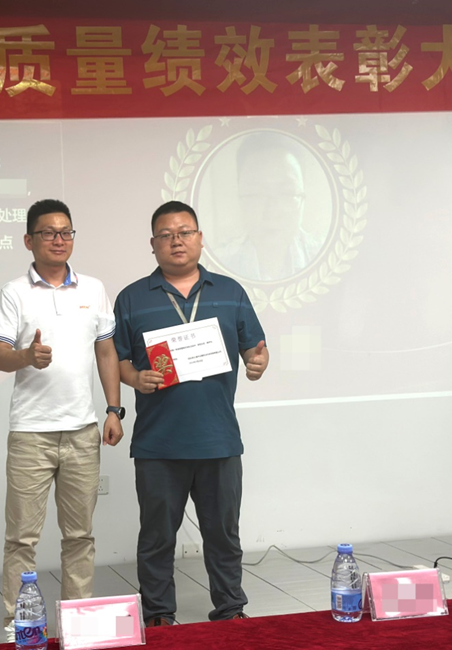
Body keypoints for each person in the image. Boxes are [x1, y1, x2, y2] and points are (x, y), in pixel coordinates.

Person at [113, 200, 269, 625]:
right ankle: (159, 616)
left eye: (184, 233)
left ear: (200, 238)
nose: (176, 241)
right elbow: (117, 359)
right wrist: (134, 377)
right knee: (157, 538)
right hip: (158, 443)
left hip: (218, 439)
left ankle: (231, 610)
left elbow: (255, 350)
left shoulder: (231, 292)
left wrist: (258, 363)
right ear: (152, 244)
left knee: (223, 535)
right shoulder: (131, 298)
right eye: (166, 235)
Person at [0, 199, 125, 641]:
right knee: (21, 539)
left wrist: (114, 409)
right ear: (29, 240)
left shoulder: (93, 289)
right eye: (48, 232)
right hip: (31, 434)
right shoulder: (14, 292)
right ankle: (18, 625)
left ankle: (77, 623)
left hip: (83, 431)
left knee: (80, 536)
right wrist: (26, 356)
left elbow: (106, 352)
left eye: (66, 232)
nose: (59, 240)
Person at [218, 133, 325, 281]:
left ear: (303, 197)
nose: (272, 212)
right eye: (255, 194)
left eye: (287, 193)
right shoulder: (216, 267)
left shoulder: (327, 260)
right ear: (240, 198)